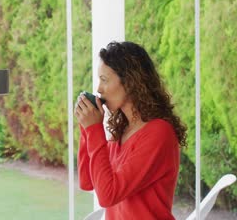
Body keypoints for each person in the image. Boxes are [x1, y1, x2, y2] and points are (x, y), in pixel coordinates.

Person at [74, 41, 187, 219]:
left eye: (104, 80)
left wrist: (94, 129)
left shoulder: (159, 133)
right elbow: (87, 181)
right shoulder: (122, 130)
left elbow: (107, 195)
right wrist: (86, 128)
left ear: (129, 82)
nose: (98, 89)